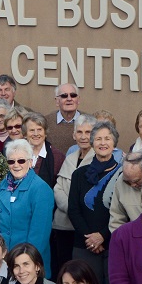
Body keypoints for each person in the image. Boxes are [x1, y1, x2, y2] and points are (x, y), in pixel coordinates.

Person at [68, 121, 122, 284]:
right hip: (83, 245)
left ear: (114, 143)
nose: (103, 143)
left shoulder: (123, 174)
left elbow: (123, 213)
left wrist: (102, 237)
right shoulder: (79, 174)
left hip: (113, 244)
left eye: (107, 138)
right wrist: (90, 238)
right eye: (98, 139)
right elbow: (73, 209)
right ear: (92, 143)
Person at [0, 140, 55, 277]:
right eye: (11, 161)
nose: (16, 165)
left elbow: (40, 235)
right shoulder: (3, 185)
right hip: (5, 260)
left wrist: (25, 263)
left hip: (30, 263)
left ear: (30, 161)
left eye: (21, 161)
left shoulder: (41, 189)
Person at [53, 116, 98, 274]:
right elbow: (58, 188)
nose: (84, 136)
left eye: (88, 132)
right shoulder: (70, 157)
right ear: (74, 135)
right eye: (79, 132)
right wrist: (69, 206)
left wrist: (73, 208)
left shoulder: (98, 160)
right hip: (63, 224)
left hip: (83, 227)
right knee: (63, 268)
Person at [108, 150, 142, 232]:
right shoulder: (121, 181)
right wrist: (120, 240)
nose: (132, 185)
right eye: (127, 181)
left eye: (136, 181)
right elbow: (116, 218)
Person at [23, 112, 65, 188]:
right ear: (25, 134)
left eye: (39, 129)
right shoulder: (18, 154)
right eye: (32, 130)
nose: (36, 134)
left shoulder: (58, 157)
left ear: (45, 133)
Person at [42, 83, 83, 154]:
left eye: (73, 95)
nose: (69, 99)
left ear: (78, 99)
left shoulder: (90, 121)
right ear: (57, 101)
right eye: (64, 96)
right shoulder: (46, 122)